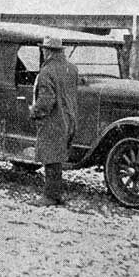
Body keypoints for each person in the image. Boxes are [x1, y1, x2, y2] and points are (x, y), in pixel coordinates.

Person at [29, 36, 79, 206]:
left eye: (44, 49)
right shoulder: (71, 69)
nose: (43, 52)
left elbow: (46, 101)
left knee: (50, 157)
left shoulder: (46, 72)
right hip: (69, 118)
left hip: (52, 120)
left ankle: (50, 196)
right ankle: (56, 195)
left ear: (48, 51)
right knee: (58, 157)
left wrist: (34, 112)